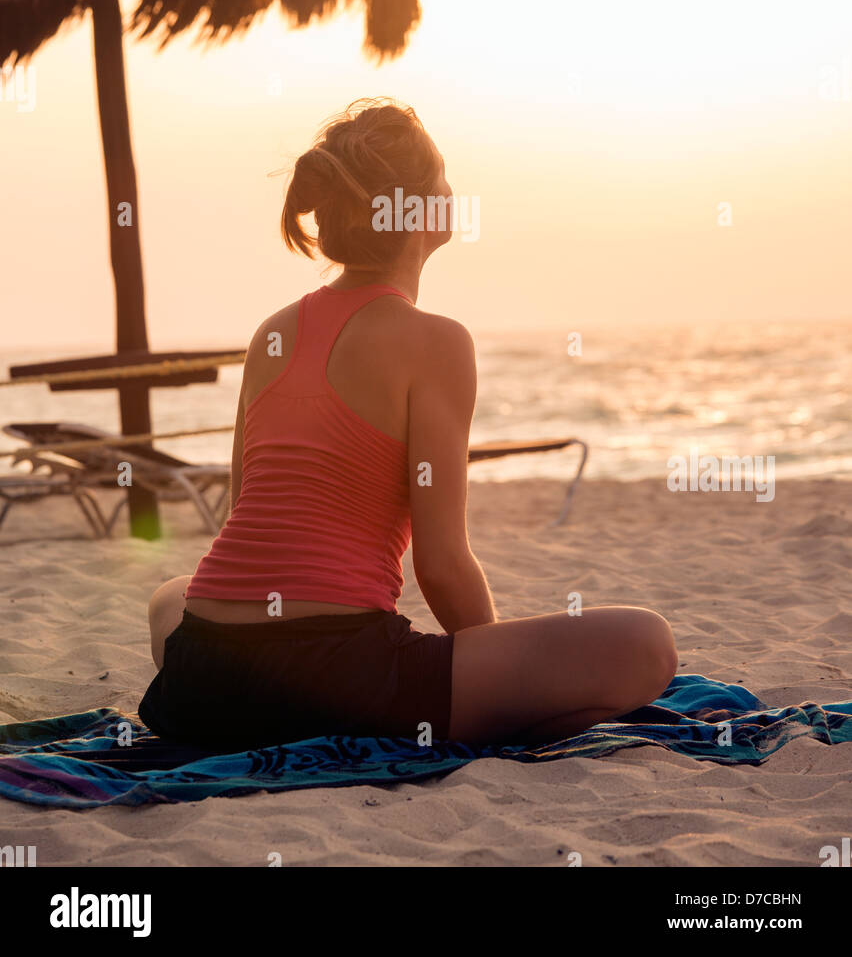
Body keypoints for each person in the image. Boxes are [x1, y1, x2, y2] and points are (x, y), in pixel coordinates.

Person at [139, 98, 677, 749]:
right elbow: (442, 566)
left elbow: (243, 514)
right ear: (421, 211)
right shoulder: (438, 343)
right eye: (444, 175)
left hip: (203, 677)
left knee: (173, 595)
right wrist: (500, 677)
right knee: (646, 644)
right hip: (336, 676)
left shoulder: (271, 334)